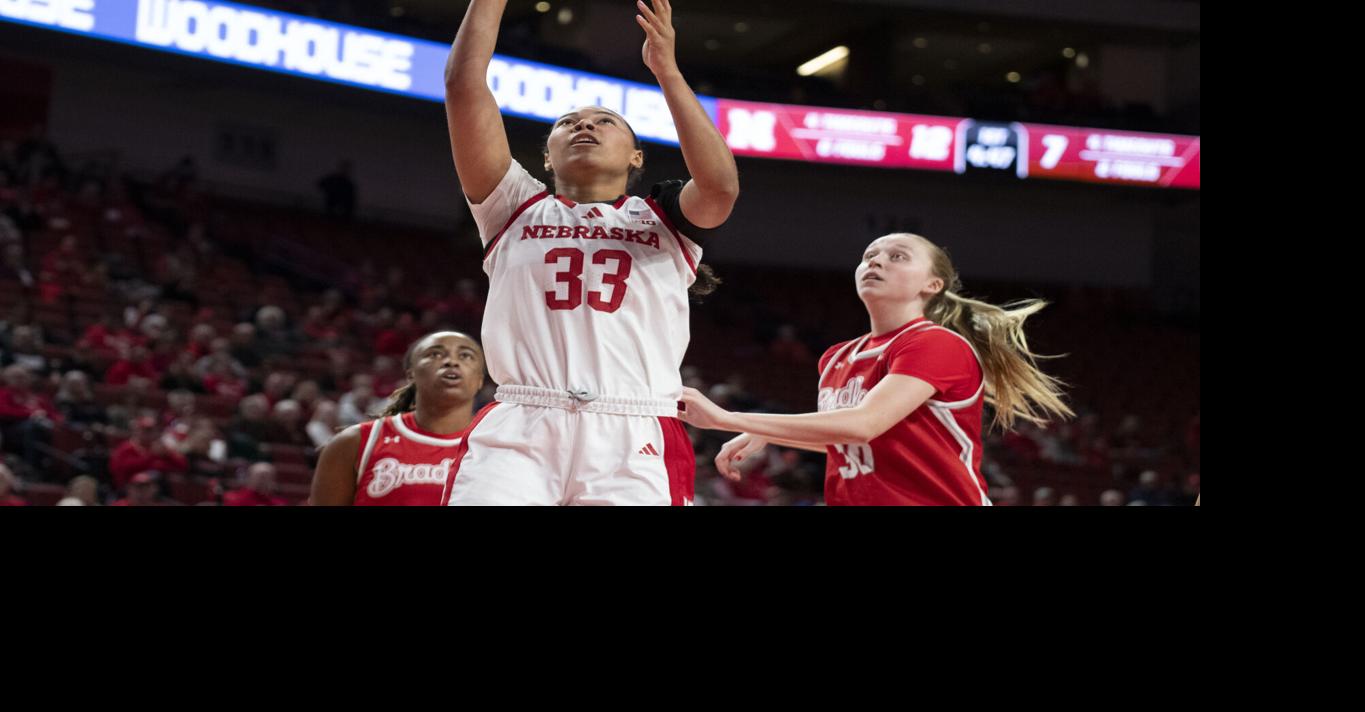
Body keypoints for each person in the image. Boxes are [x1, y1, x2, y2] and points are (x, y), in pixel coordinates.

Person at [440, 0, 738, 505]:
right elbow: (463, 87)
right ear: (546, 155)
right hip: (523, 422)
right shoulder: (513, 205)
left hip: (634, 425)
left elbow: (720, 188)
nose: (584, 126)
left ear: (636, 156)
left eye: (604, 121)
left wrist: (666, 71)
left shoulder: (662, 217)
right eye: (567, 122)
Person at [680, 233, 1072, 506]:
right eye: (870, 256)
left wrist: (727, 418)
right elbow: (857, 443)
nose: (876, 261)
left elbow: (863, 424)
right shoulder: (836, 356)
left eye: (897, 256)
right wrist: (766, 433)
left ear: (932, 284)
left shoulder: (934, 343)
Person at [309, 332, 486, 506]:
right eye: (435, 354)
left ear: (480, 380)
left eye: (465, 356)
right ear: (411, 375)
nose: (451, 362)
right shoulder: (354, 442)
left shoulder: (495, 446)